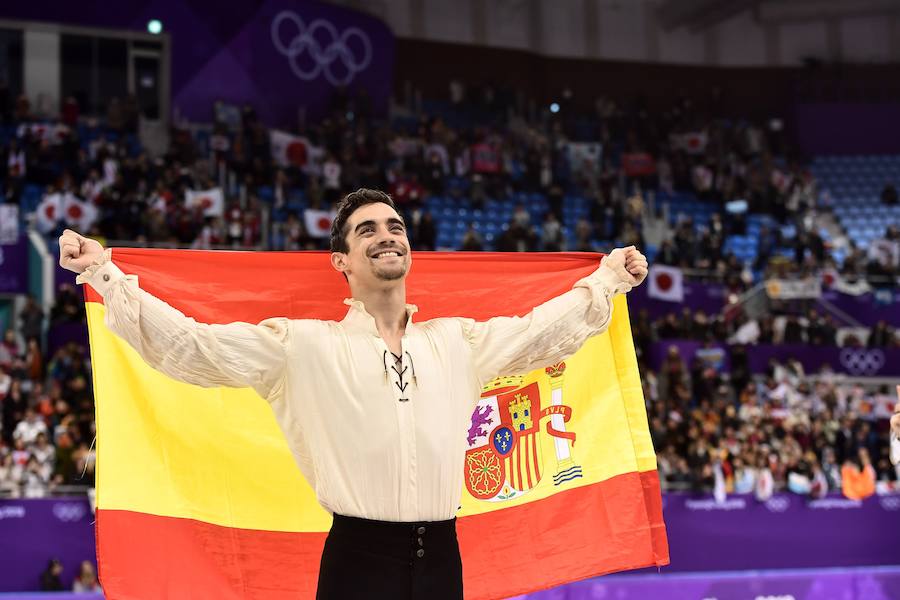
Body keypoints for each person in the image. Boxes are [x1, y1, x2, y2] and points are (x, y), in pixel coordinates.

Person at [59, 188, 648, 600]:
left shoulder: (459, 342)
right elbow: (192, 348)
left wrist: (609, 280)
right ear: (340, 259)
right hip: (358, 562)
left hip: (445, 559)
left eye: (395, 227)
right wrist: (104, 275)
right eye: (367, 229)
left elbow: (541, 333)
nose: (386, 236)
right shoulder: (301, 347)